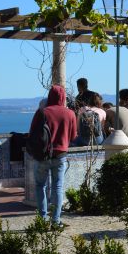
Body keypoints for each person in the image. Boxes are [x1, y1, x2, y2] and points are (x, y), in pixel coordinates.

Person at [30, 85, 77, 226]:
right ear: (63, 97)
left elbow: (32, 132)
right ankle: (56, 220)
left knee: (40, 186)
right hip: (61, 155)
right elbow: (74, 136)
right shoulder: (70, 114)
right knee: (58, 186)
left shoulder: (42, 112)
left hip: (42, 155)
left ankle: (42, 219)